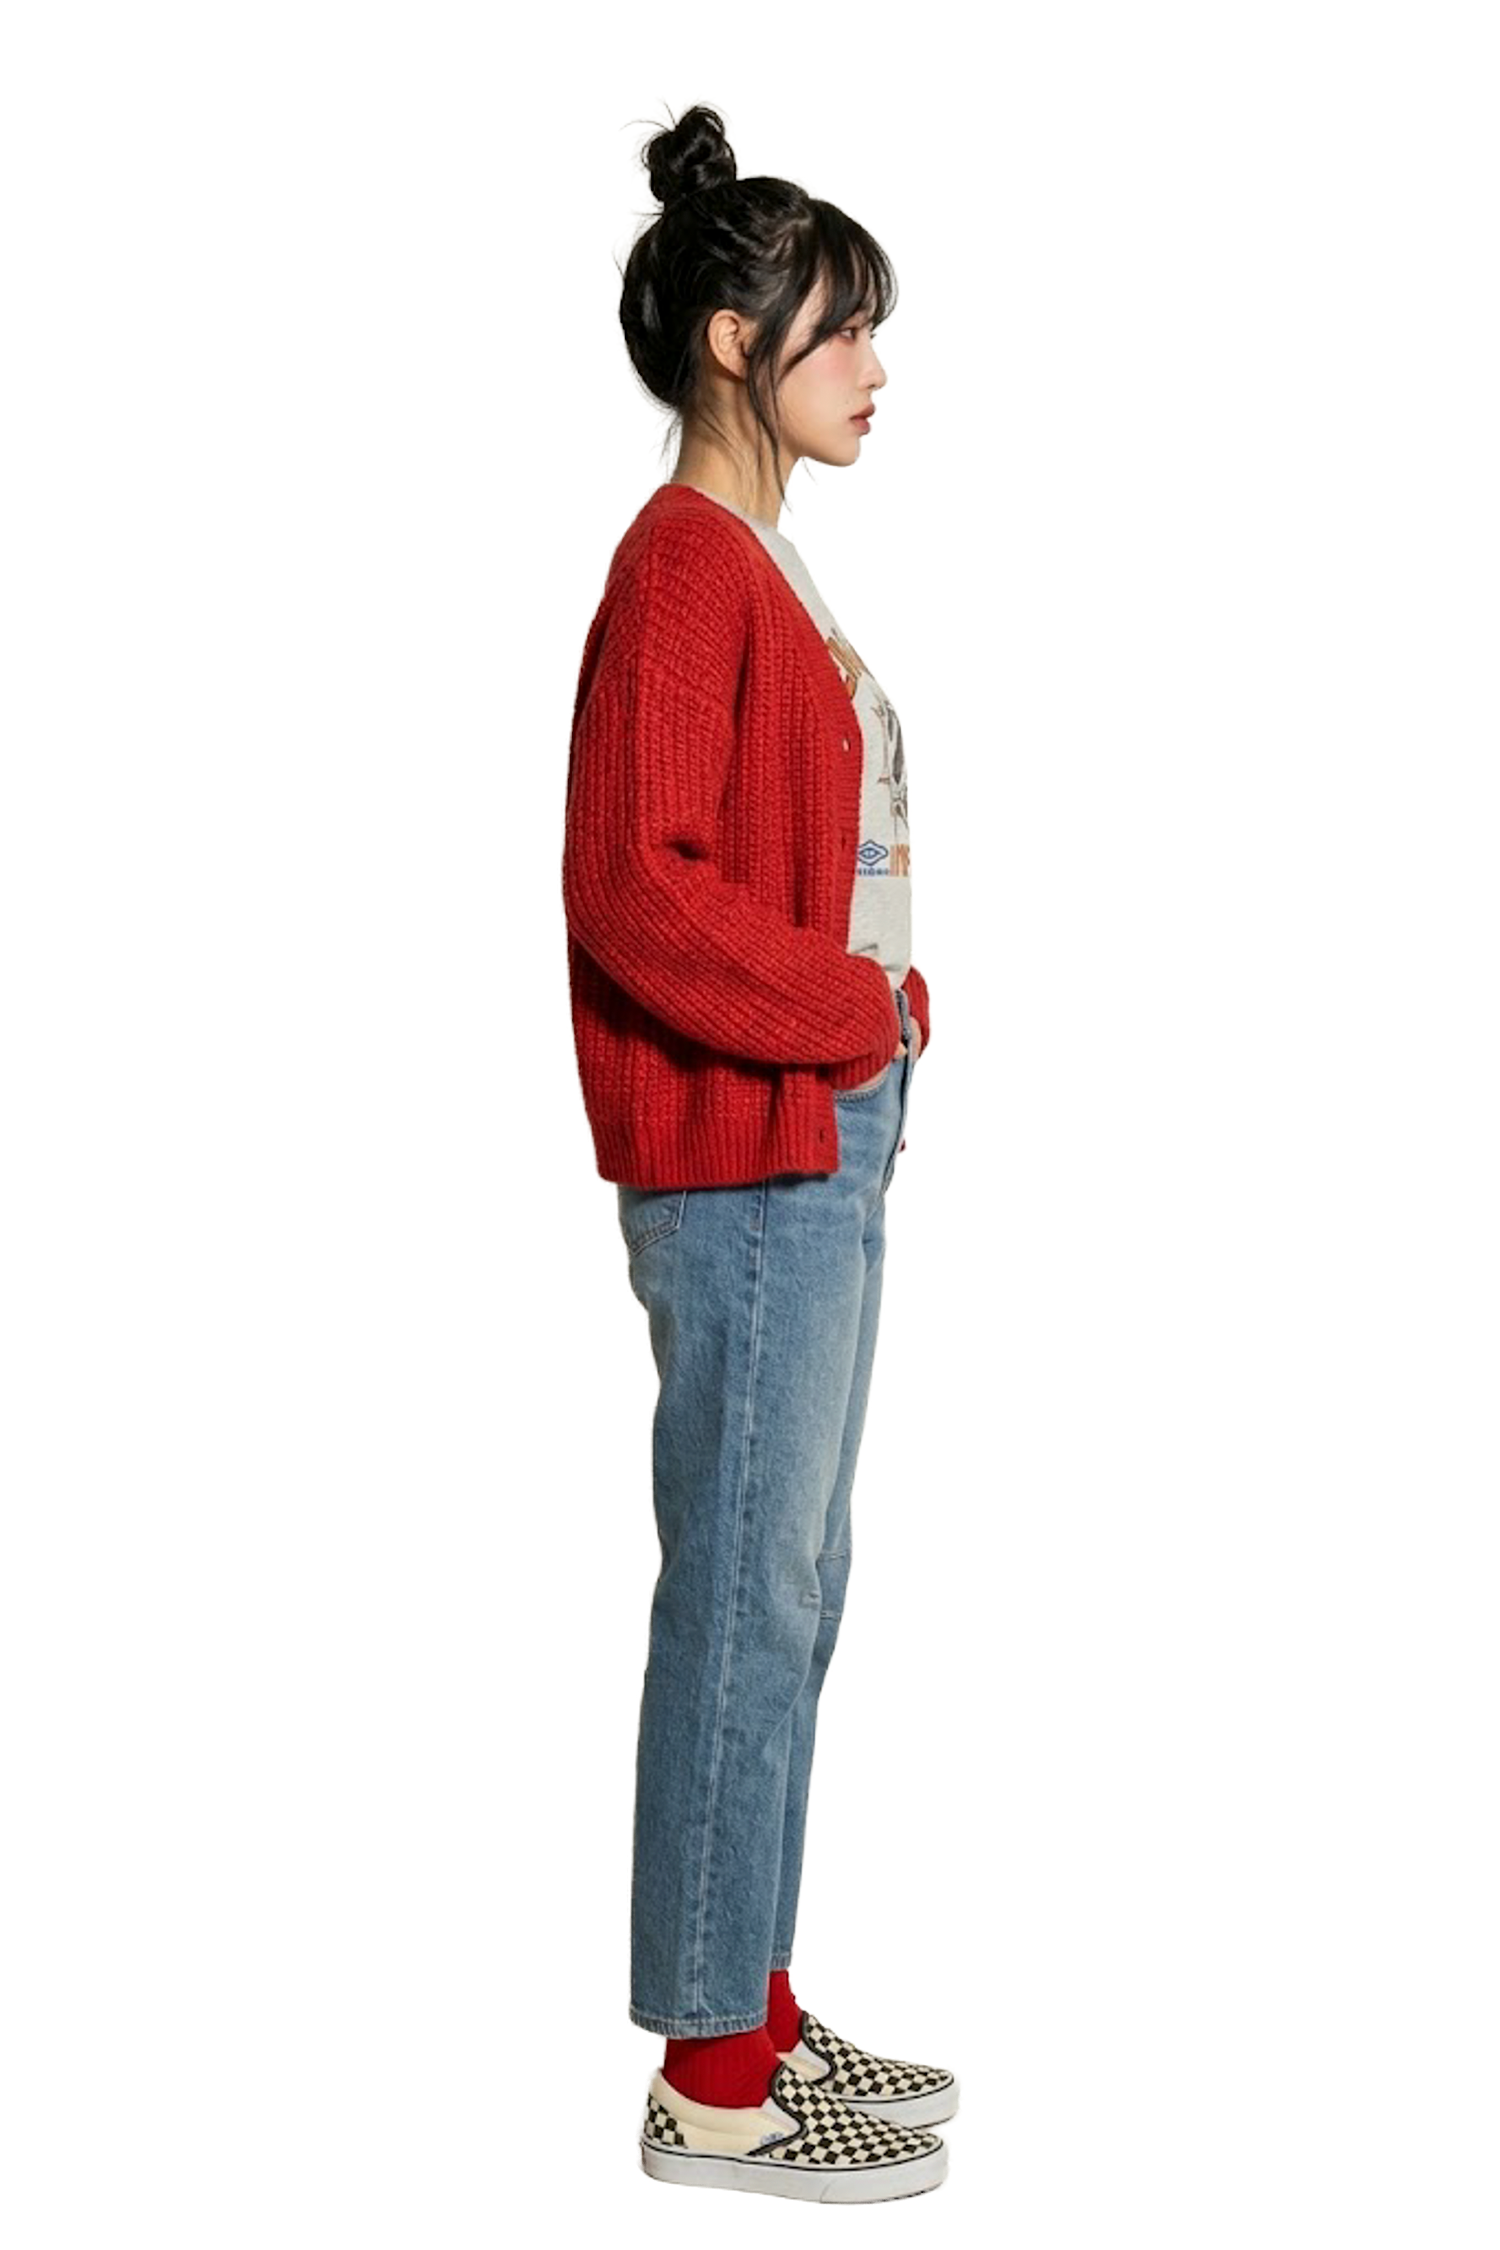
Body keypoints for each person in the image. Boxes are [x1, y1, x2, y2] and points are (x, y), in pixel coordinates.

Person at [561, 103, 957, 2202]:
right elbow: (636, 886)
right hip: (748, 1151)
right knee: (743, 1584)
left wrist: (883, 1019)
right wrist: (849, 1014)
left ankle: (756, 2005)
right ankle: (710, 2085)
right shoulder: (683, 565)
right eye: (846, 328)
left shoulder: (758, 564)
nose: (876, 368)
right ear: (738, 341)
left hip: (815, 1129)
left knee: (789, 1586)